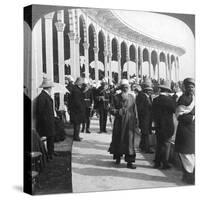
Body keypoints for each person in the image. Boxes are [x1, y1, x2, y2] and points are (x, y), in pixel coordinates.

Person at [109, 79, 138, 169]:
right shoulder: (116, 97)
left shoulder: (132, 97)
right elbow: (111, 109)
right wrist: (119, 111)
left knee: (129, 142)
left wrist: (136, 121)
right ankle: (117, 157)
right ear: (121, 88)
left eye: (127, 87)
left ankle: (129, 162)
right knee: (118, 139)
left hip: (129, 122)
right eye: (124, 87)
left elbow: (135, 110)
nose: (126, 89)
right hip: (119, 122)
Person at [175, 78, 195, 184]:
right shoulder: (182, 99)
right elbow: (178, 115)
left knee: (189, 153)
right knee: (185, 153)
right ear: (185, 87)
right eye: (189, 87)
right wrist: (192, 117)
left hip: (191, 129)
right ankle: (188, 176)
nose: (191, 89)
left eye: (192, 86)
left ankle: (190, 176)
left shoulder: (194, 98)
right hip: (185, 129)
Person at [152, 81, 176, 169]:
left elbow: (153, 113)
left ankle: (157, 163)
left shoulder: (155, 100)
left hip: (158, 125)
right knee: (166, 144)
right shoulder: (170, 100)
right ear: (167, 91)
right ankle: (165, 163)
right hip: (168, 125)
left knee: (159, 144)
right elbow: (174, 110)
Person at [36, 78, 56, 160]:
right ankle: (50, 154)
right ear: (48, 88)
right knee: (49, 137)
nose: (51, 89)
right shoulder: (42, 96)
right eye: (50, 87)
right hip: (46, 121)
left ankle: (51, 151)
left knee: (51, 136)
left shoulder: (45, 95)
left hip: (49, 120)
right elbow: (40, 111)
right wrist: (45, 121)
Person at [136, 80, 154, 153]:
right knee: (145, 133)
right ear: (145, 90)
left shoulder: (148, 97)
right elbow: (140, 108)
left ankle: (142, 145)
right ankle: (146, 148)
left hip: (147, 118)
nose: (150, 92)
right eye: (149, 90)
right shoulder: (141, 96)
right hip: (144, 118)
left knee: (145, 133)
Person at [69, 77, 86, 141]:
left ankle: (77, 136)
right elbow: (77, 101)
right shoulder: (76, 90)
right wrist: (81, 107)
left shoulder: (77, 89)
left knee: (77, 124)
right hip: (76, 110)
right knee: (77, 124)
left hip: (77, 110)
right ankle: (76, 137)